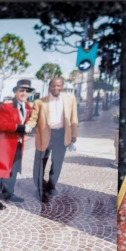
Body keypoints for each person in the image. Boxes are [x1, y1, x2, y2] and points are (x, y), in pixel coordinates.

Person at [0, 79, 35, 210]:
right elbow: (3, 125)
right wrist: (22, 128)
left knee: (13, 170)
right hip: (4, 144)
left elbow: (30, 122)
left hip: (17, 144)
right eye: (21, 90)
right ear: (15, 92)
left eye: (27, 91)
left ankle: (8, 194)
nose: (24, 93)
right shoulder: (6, 105)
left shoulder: (28, 106)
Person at [29, 76, 78, 204]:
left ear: (62, 86)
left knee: (57, 163)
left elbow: (74, 118)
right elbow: (33, 118)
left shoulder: (70, 99)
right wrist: (28, 127)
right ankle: (40, 189)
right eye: (53, 86)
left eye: (58, 85)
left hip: (62, 135)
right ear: (49, 87)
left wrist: (74, 135)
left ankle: (51, 186)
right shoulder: (40, 102)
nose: (56, 88)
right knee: (39, 164)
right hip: (44, 135)